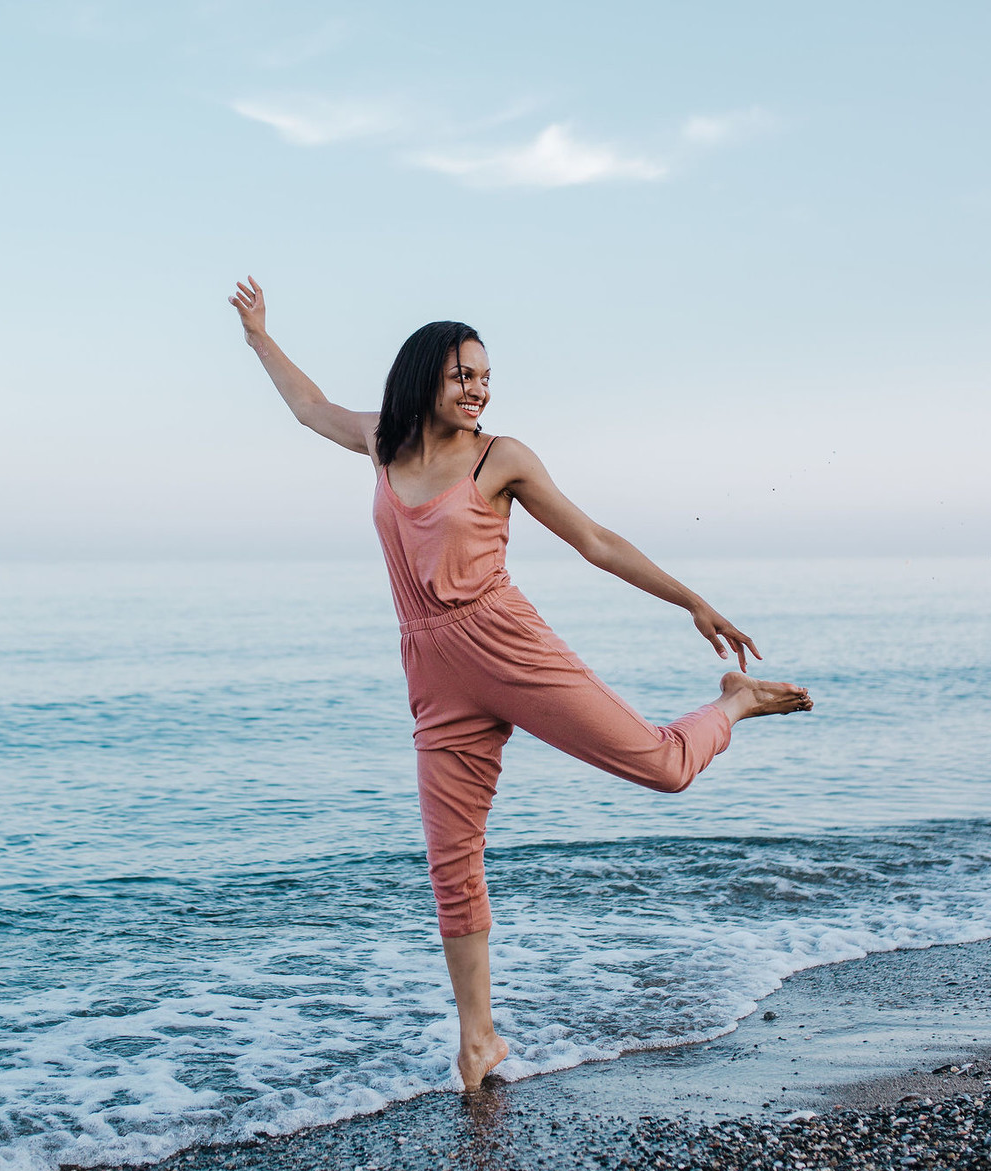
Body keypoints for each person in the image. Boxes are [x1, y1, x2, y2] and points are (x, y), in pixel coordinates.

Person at [230, 277, 812, 1090]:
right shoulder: (382, 442)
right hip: (431, 672)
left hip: (507, 646)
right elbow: (308, 405)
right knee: (450, 858)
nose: (478, 389)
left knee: (664, 767)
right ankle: (479, 1041)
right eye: (463, 374)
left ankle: (734, 702)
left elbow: (596, 542)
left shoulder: (501, 458)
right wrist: (259, 334)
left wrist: (692, 600)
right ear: (425, 375)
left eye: (485, 376)